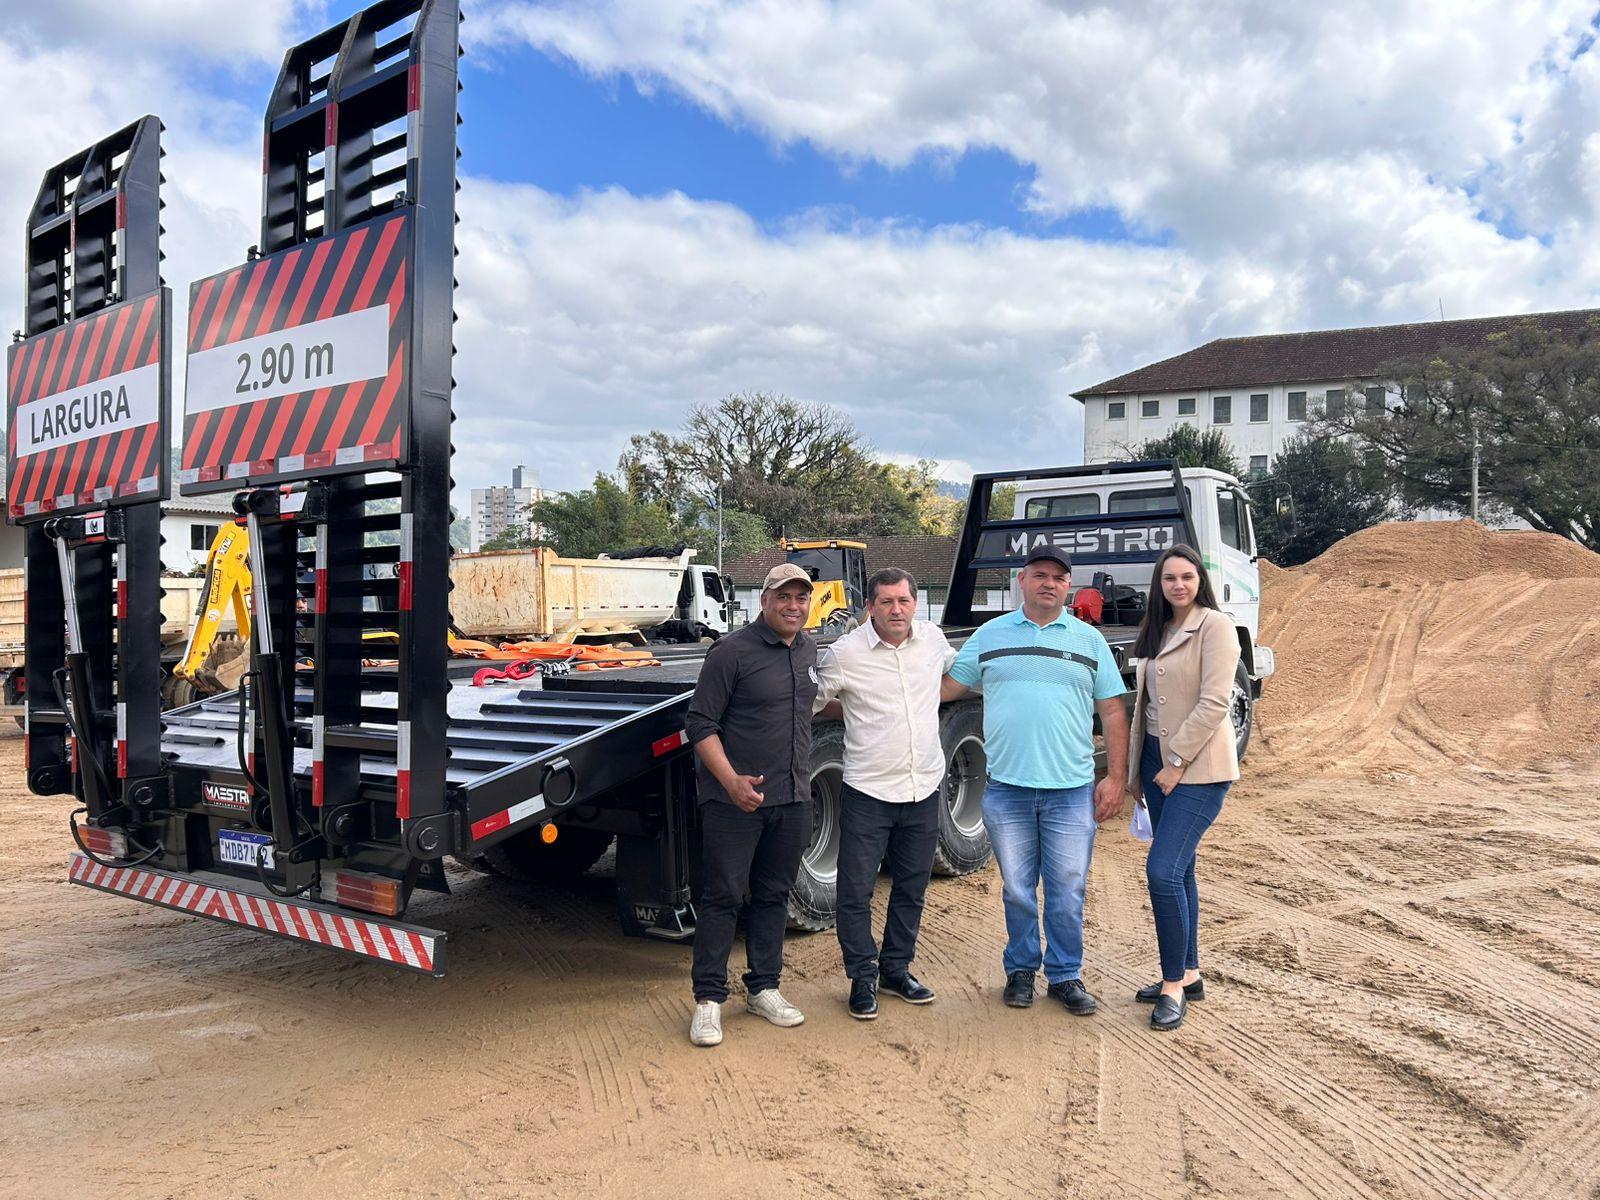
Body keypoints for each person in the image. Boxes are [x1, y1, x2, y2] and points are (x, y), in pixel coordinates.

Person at [941, 545, 1129, 1014]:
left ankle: (1065, 975)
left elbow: (1113, 711)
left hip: (1070, 790)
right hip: (1007, 790)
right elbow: (947, 689)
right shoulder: (989, 635)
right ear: (1020, 581)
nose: (1049, 583)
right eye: (1039, 575)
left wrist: (1116, 778)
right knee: (1018, 888)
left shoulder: (1090, 642)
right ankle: (1022, 969)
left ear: (1069, 587)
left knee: (1067, 889)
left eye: (1058, 578)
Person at [683, 563, 819, 1048]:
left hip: (792, 797)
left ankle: (764, 988)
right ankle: (708, 1001)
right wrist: (731, 781)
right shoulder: (731, 652)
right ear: (764, 601)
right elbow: (699, 725)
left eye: (801, 597)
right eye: (784, 596)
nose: (793, 606)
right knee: (722, 897)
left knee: (773, 896)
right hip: (733, 802)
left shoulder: (807, 649)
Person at [814, 568, 956, 1020]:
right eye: (886, 602)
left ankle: (896, 970)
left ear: (915, 604)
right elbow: (812, 702)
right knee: (855, 892)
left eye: (904, 601)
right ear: (870, 607)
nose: (897, 609)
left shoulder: (933, 642)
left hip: (923, 788)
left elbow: (960, 674)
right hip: (868, 792)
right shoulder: (844, 654)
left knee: (912, 887)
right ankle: (862, 978)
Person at [1124, 544, 1241, 1032]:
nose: (1178, 585)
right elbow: (1148, 700)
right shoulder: (1159, 628)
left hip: (1198, 768)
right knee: (1183, 870)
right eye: (1170, 578)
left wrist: (1174, 762)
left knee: (1162, 871)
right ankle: (1190, 973)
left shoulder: (1216, 626)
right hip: (1154, 758)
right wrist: (1140, 767)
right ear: (1160, 584)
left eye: (1187, 577)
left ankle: (1172, 984)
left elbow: (1215, 702)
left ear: (1200, 580)